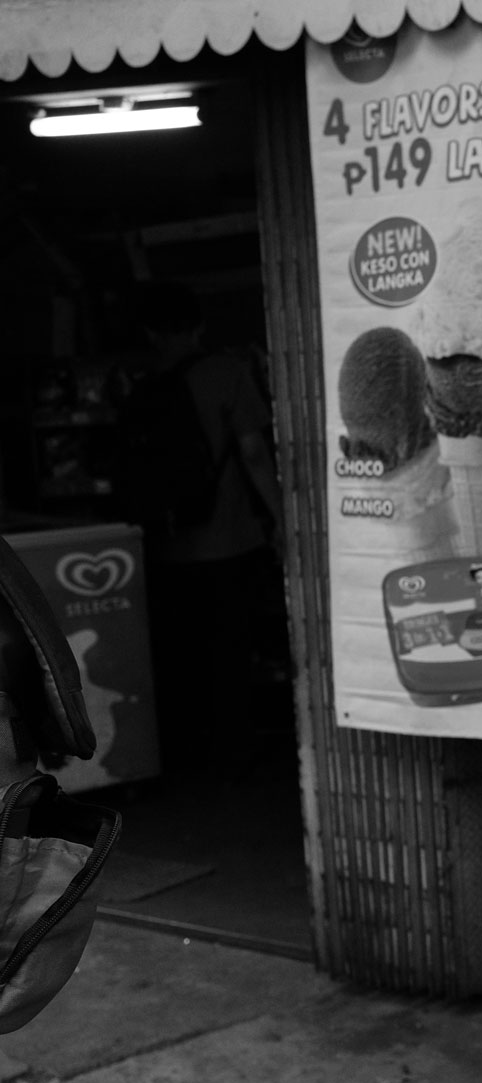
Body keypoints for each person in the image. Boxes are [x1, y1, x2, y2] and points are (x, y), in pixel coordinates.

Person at [124, 283, 286, 773]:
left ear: (151, 332)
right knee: (231, 651)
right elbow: (254, 452)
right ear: (200, 327)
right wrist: (280, 519)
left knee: (182, 654)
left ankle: (188, 756)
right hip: (230, 542)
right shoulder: (225, 372)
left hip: (167, 547)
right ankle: (235, 754)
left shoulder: (141, 383)